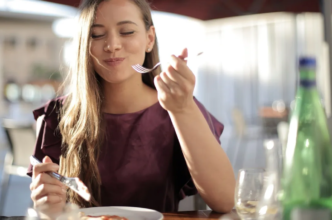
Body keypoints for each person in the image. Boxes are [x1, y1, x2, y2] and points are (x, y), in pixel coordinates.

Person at [28, 0, 235, 214]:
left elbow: (225, 200)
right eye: (97, 35)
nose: (112, 45)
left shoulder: (178, 107)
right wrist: (46, 206)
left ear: (149, 39)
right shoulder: (57, 115)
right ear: (84, 45)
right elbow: (51, 210)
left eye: (126, 32)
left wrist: (182, 109)